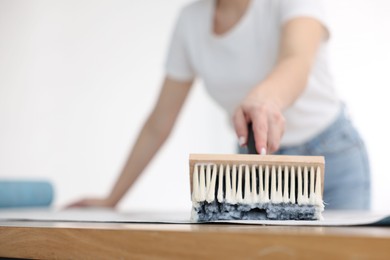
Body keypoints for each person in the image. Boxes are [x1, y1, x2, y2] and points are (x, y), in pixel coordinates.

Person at [69, 0, 371, 210]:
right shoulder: (190, 21)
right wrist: (112, 198)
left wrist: (262, 100)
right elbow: (159, 123)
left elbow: (296, 60)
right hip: (253, 163)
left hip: (331, 158)